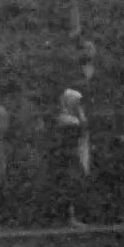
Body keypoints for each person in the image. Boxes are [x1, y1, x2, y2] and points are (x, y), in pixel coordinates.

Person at [52, 47, 97, 227]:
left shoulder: (77, 96)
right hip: (73, 145)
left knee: (80, 175)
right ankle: (70, 214)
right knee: (73, 176)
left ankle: (77, 213)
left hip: (82, 142)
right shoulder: (71, 99)